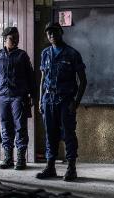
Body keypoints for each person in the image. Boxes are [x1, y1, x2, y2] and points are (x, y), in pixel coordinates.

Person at [36, 22, 87, 182]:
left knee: (68, 134)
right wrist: (40, 100)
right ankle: (50, 166)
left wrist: (76, 102)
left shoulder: (72, 54)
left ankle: (71, 168)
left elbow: (83, 81)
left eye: (54, 32)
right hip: (48, 100)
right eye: (48, 33)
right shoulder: (45, 53)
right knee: (50, 133)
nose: (51, 35)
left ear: (61, 32)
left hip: (66, 100)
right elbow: (43, 79)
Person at [0, 27, 35, 170]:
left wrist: (33, 96)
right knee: (5, 127)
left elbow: (31, 77)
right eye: (12, 38)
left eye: (17, 38)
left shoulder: (22, 56)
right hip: (2, 97)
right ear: (5, 39)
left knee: (20, 128)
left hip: (18, 96)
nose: (16, 41)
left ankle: (21, 160)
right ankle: (8, 159)